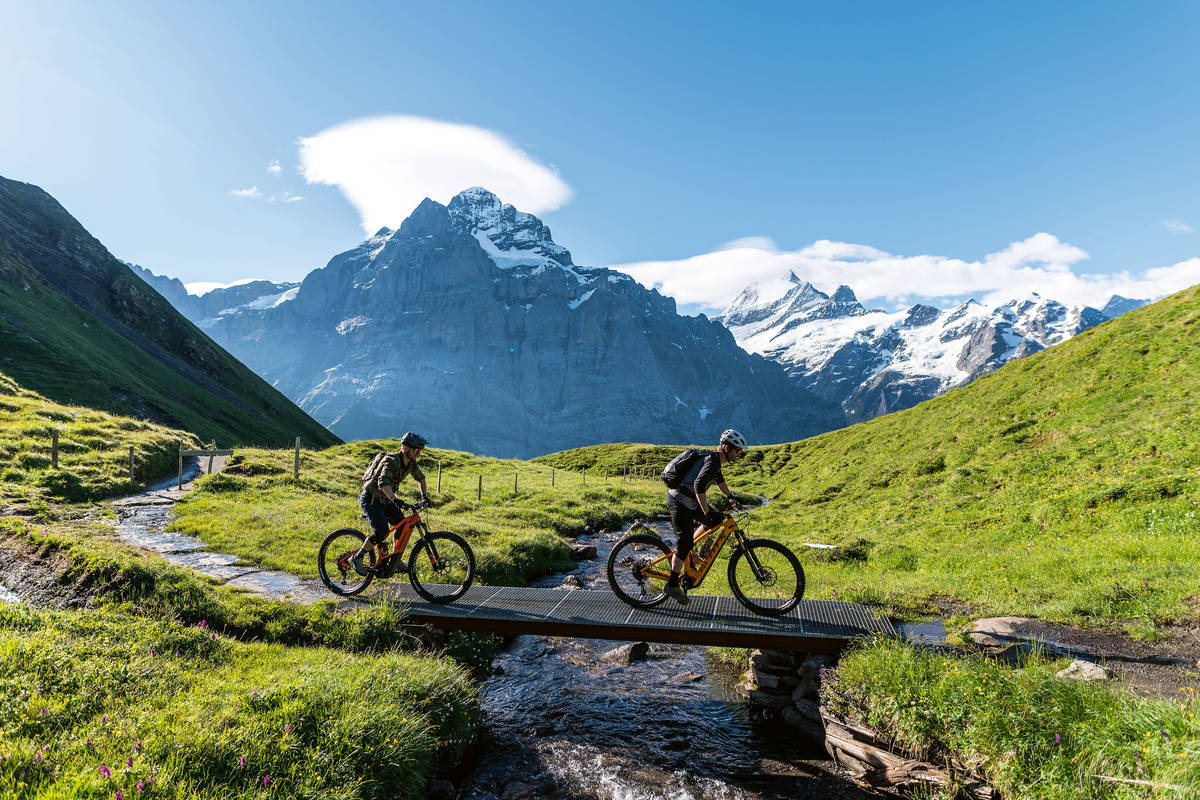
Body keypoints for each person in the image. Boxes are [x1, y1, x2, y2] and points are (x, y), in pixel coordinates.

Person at [664, 429, 747, 605]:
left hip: (689, 501)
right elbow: (699, 486)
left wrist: (730, 497)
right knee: (684, 542)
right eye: (737, 451)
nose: (739, 455)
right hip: (679, 500)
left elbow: (720, 481)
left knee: (716, 520)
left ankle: (691, 552)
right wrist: (706, 511)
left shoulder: (716, 461)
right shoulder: (713, 460)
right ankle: (672, 585)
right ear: (726, 447)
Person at [352, 431, 431, 573]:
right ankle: (357, 558)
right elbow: (383, 483)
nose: (419, 453)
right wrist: (395, 499)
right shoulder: (391, 460)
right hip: (372, 498)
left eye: (420, 450)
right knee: (382, 531)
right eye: (417, 450)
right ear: (406, 448)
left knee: (403, 526)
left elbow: (421, 479)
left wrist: (424, 496)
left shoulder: (411, 464)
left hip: (386, 499)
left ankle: (394, 559)